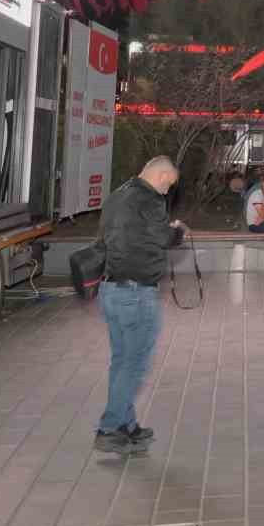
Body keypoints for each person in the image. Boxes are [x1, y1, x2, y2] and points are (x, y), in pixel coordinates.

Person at [95, 157, 184, 454]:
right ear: (159, 176)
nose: (166, 191)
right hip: (136, 292)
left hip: (110, 289)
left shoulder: (116, 195)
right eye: (167, 184)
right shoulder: (150, 200)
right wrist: (177, 231)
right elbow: (162, 238)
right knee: (134, 364)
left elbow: (107, 239)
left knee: (122, 361)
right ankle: (109, 428)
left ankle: (126, 425)